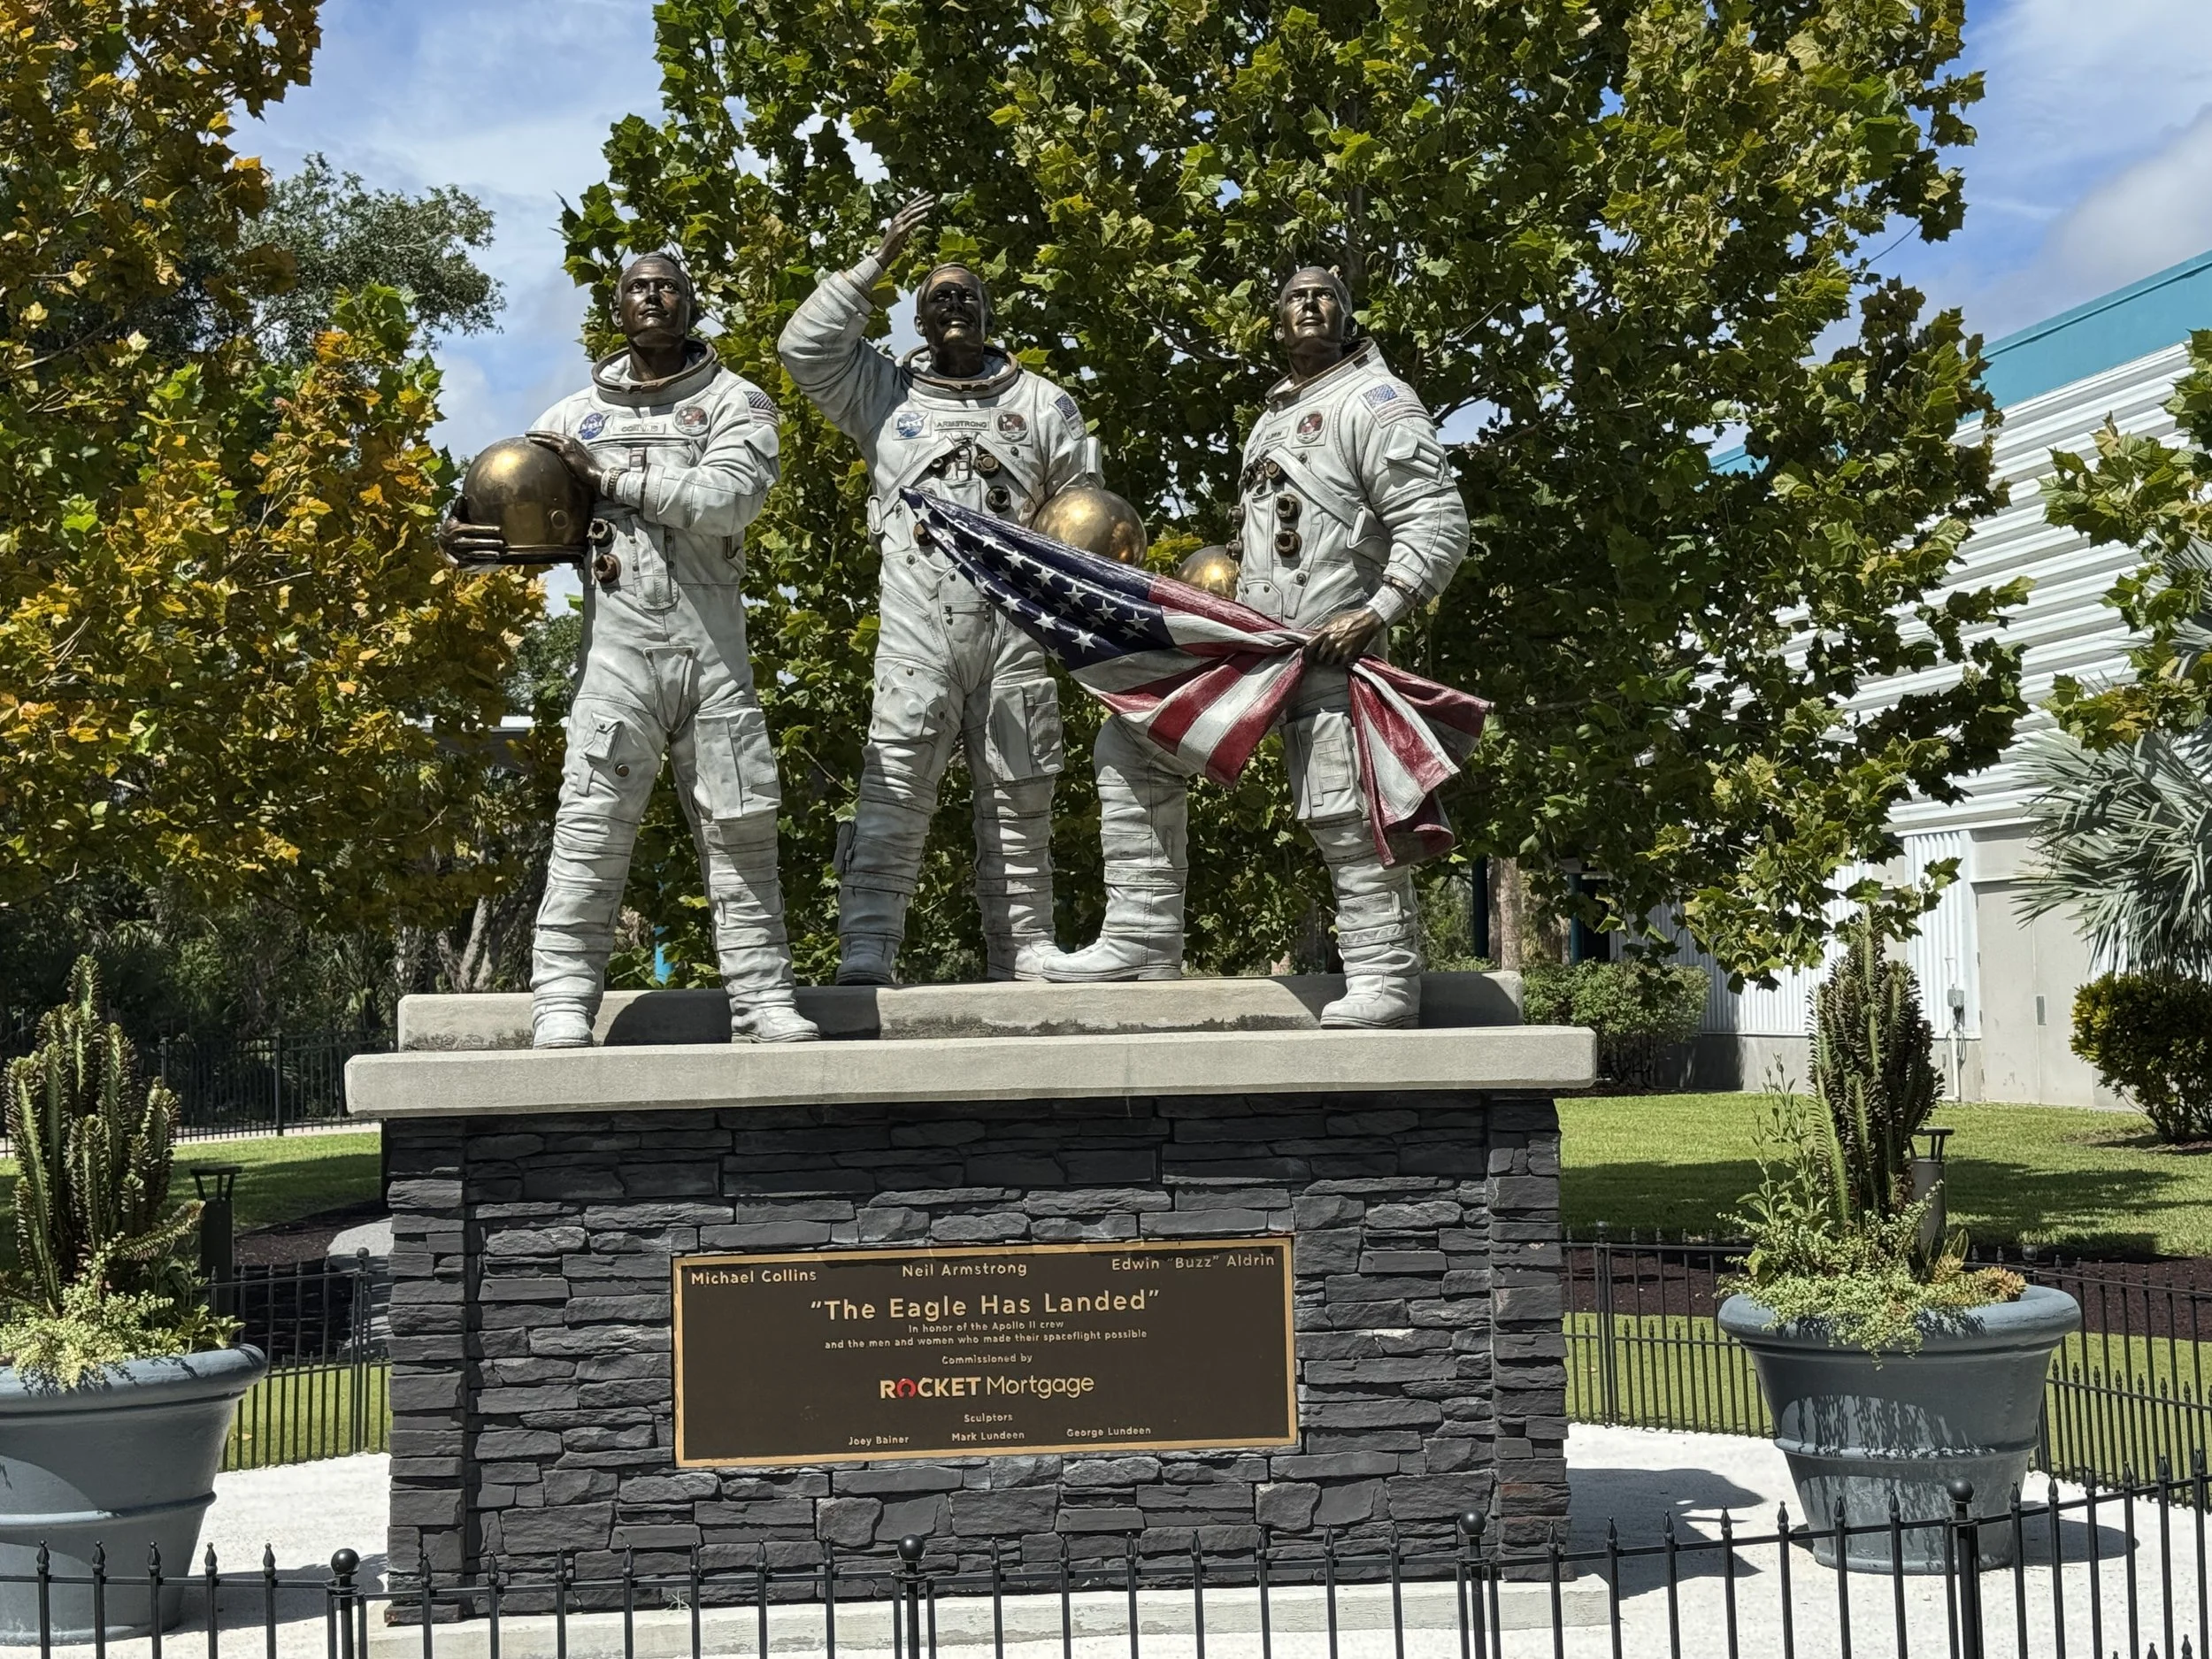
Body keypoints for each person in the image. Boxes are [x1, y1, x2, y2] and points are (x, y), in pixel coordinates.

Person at [1037, 267, 1470, 1027]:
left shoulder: (1376, 401)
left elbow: (1437, 520)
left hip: (1337, 645)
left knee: (1343, 808)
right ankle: (1141, 941)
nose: (1310, 303)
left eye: (1325, 293)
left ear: (1346, 314)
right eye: (1294, 296)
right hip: (1261, 647)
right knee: (1134, 742)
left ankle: (1385, 978)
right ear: (1274, 324)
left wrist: (1376, 612)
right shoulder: (1271, 420)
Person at [441, 253, 818, 1048]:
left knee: (741, 831)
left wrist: (609, 474)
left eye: (671, 285)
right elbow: (527, 518)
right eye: (639, 287)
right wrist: (466, 535)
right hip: (617, 656)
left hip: (713, 656)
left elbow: (728, 500)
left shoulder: (734, 404)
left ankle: (763, 998)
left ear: (691, 301)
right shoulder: (571, 418)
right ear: (618, 309)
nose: (656, 297)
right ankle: (563, 999)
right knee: (589, 827)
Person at [778, 195, 1099, 984]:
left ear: (990, 315)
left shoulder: (1044, 404)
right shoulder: (882, 395)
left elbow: (1088, 522)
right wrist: (876, 263)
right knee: (892, 790)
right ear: (917, 323)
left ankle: (1025, 950)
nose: (954, 305)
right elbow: (802, 348)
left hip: (1016, 628)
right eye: (937, 299)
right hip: (919, 630)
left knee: (1022, 800)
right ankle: (867, 947)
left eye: (968, 296)